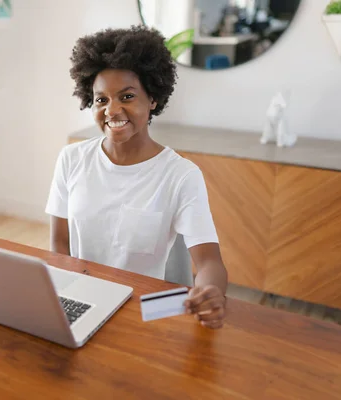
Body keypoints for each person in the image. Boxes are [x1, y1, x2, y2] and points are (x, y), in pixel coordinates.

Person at [45, 26, 228, 329]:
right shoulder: (71, 159)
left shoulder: (181, 176)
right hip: (84, 300)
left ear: (152, 99)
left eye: (126, 96)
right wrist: (68, 295)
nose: (112, 110)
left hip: (145, 312)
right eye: (101, 100)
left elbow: (209, 261)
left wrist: (211, 291)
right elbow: (59, 244)